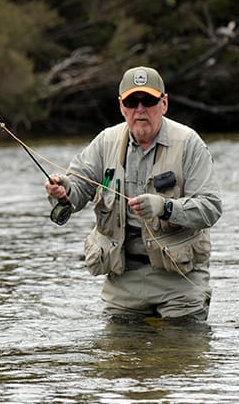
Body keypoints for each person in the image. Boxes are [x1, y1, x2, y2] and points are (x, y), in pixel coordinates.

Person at [45, 65, 222, 323]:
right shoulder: (106, 142)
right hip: (122, 279)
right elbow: (78, 188)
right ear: (121, 106)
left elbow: (211, 207)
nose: (140, 109)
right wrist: (63, 189)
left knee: (182, 357)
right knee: (121, 359)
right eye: (132, 101)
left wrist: (166, 208)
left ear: (164, 103)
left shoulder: (189, 143)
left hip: (179, 281)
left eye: (148, 100)